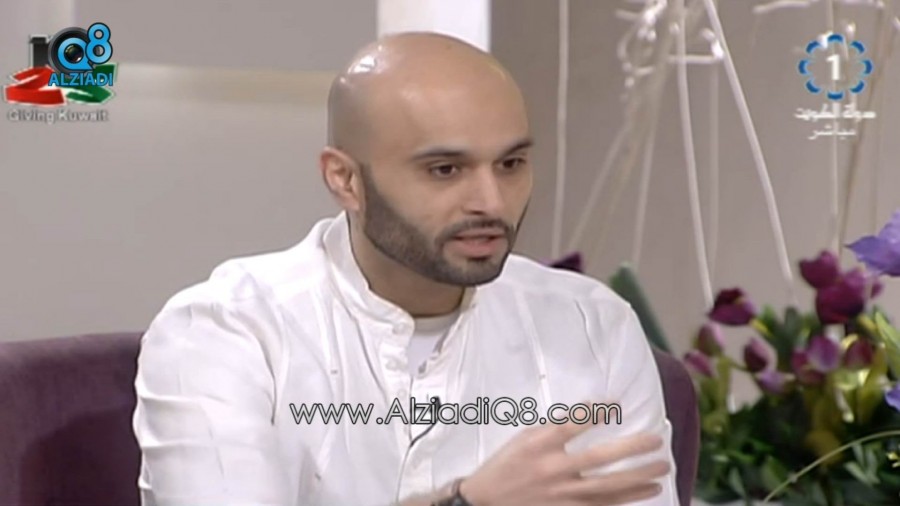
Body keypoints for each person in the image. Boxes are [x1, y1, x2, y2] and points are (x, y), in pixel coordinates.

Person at [132, 32, 677, 506]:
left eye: (510, 164)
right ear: (345, 180)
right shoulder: (223, 332)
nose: (491, 202)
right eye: (445, 170)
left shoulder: (593, 327)